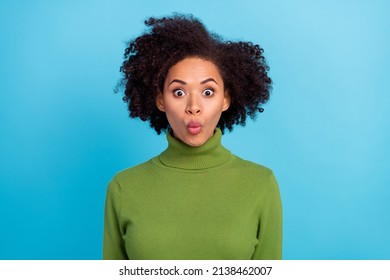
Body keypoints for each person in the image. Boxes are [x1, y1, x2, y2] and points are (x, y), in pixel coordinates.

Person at [103, 14, 282, 260]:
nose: (194, 106)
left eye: (208, 92)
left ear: (226, 99)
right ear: (160, 100)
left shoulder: (261, 184)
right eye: (179, 92)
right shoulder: (123, 188)